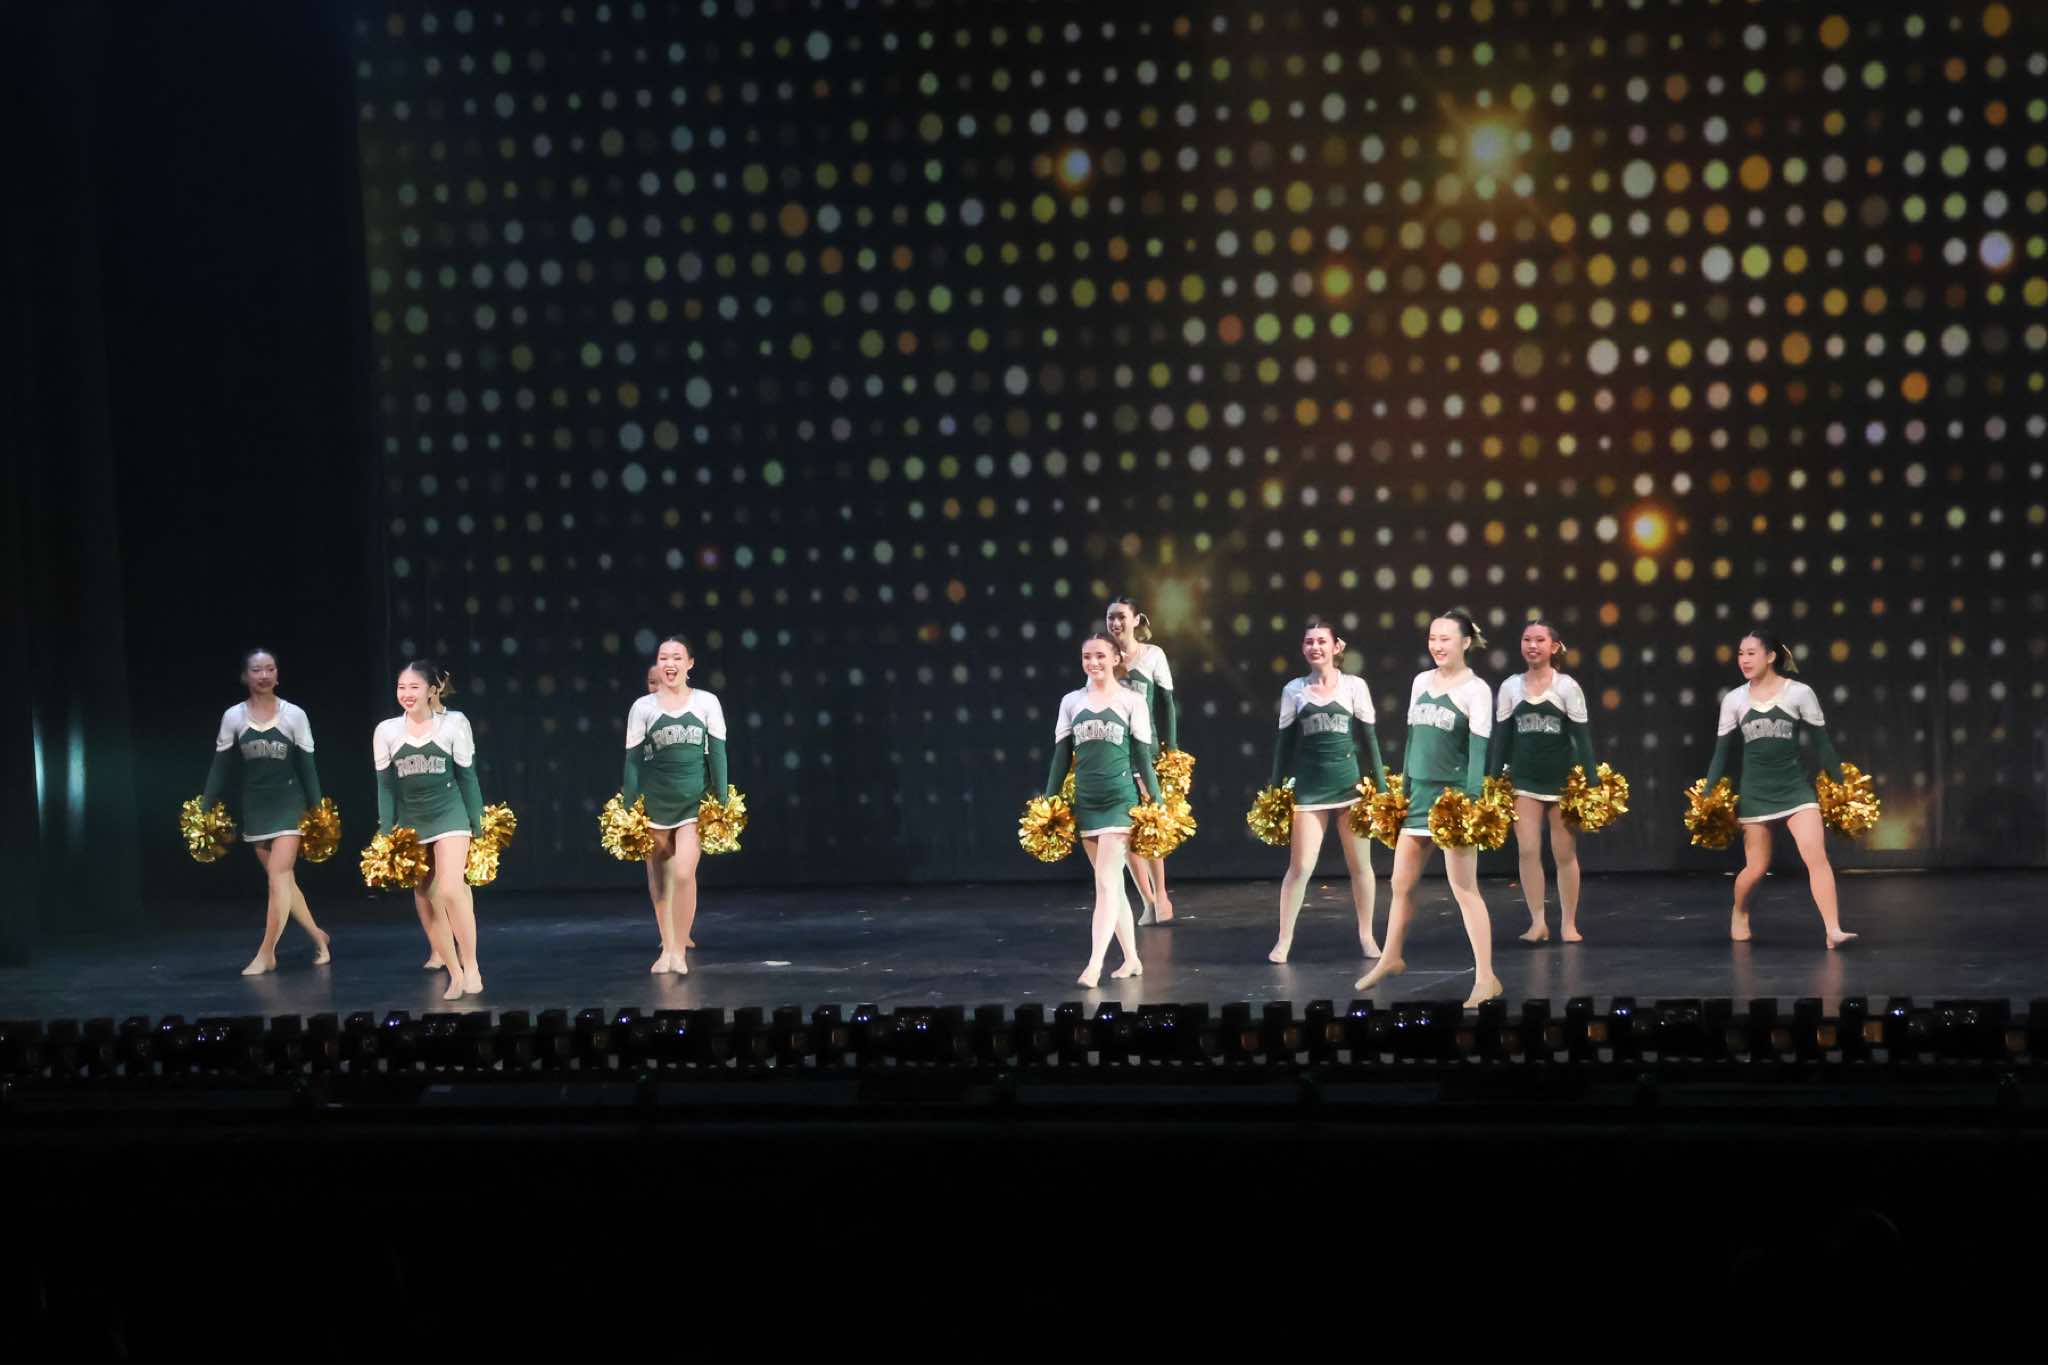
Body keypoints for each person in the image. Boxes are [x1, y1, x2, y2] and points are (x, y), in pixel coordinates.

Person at [1355, 611, 1502, 1008]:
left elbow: (1478, 753)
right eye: (1432, 638)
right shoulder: (1420, 682)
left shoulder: (1476, 690)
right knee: (1400, 884)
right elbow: (1411, 742)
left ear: (1465, 642)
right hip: (1417, 799)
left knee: (1464, 890)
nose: (1437, 645)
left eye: (1445, 639)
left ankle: (1486, 977)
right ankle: (1391, 957)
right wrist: (1402, 793)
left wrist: (1470, 805)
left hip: (1451, 803)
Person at [1702, 631, 1857, 948]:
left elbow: (1823, 745)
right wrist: (1706, 796)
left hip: (1796, 791)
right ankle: (1740, 911)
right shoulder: (1734, 700)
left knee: (1816, 855)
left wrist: (1844, 786)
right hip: (1755, 795)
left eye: (1751, 653)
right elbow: (1721, 753)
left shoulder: (1799, 693)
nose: (1744, 659)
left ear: (1771, 656)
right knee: (1756, 868)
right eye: (1740, 653)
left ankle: (1832, 930)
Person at [201, 648, 332, 975]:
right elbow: (220, 766)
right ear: (245, 676)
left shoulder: (294, 715)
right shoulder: (233, 717)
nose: (264, 676)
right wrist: (205, 806)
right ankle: (319, 937)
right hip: (256, 807)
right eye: (257, 670)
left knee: (278, 877)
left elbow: (308, 767)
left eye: (270, 669)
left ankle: (267, 953)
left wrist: (318, 810)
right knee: (284, 883)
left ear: (277, 674)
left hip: (290, 804)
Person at [1044, 631, 1161, 988]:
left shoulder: (1131, 701)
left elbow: (1142, 756)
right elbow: (1061, 756)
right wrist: (1049, 801)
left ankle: (1094, 964)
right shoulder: (1071, 702)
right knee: (1112, 886)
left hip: (1121, 802)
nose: (1093, 662)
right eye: (1087, 657)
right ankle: (1132, 959)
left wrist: (1156, 801)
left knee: (1105, 883)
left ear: (1115, 659)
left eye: (1099, 656)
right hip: (1087, 803)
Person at [1265, 616, 1384, 965]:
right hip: (1310, 790)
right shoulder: (1294, 690)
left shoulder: (1354, 686)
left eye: (1321, 641)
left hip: (1349, 787)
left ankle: (1366, 935)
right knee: (1300, 867)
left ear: (1336, 647)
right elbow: (1284, 744)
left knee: (1361, 866)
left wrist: (1380, 787)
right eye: (1309, 641)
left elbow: (1370, 740)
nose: (1315, 647)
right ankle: (1284, 939)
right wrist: (1275, 788)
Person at [374, 661, 486, 1000]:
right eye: (401, 687)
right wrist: (386, 833)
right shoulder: (386, 731)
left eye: (414, 687)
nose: (407, 694)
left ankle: (471, 965)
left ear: (431, 691)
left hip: (450, 814)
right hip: (412, 822)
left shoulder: (452, 725)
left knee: (450, 888)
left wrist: (477, 825)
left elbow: (467, 777)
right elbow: (386, 788)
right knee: (429, 898)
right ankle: (454, 973)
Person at [622, 635, 728, 974]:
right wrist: (628, 806)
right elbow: (632, 762)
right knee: (659, 879)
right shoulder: (642, 707)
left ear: (690, 663)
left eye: (677, 657)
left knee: (683, 872)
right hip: (654, 805)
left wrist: (722, 800)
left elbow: (718, 754)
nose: (670, 663)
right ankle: (666, 948)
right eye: (664, 657)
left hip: (694, 804)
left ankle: (680, 948)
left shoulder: (707, 702)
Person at [1489, 621, 1598, 943]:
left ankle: (1568, 923)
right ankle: (1538, 921)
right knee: (1527, 850)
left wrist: (1592, 784)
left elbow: (1583, 740)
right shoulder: (1510, 687)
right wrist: (1492, 781)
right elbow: (1502, 739)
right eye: (1527, 639)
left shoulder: (1567, 687)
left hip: (1561, 782)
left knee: (1564, 852)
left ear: (1554, 647)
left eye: (1539, 640)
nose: (1532, 645)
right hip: (1524, 781)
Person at [1105, 596, 1180, 924]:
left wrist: (1171, 750)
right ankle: (1147, 901)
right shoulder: (1103, 655)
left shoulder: (1153, 655)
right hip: (1114, 754)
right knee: (1125, 831)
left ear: (1136, 620)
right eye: (1111, 617)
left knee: (1148, 826)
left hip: (1144, 752)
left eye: (1121, 616)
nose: (1115, 623)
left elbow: (1167, 704)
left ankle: (1162, 896)